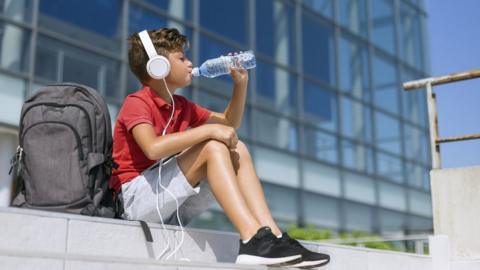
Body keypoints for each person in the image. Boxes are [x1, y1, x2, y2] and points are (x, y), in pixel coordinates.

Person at [109, 27, 330, 268]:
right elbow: (152, 148)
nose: (190, 63)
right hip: (134, 202)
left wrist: (240, 86)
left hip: (169, 202)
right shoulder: (137, 103)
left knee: (237, 149)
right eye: (181, 58)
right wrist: (207, 131)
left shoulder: (182, 105)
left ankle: (272, 236)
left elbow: (229, 124)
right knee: (213, 146)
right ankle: (251, 238)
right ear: (157, 66)